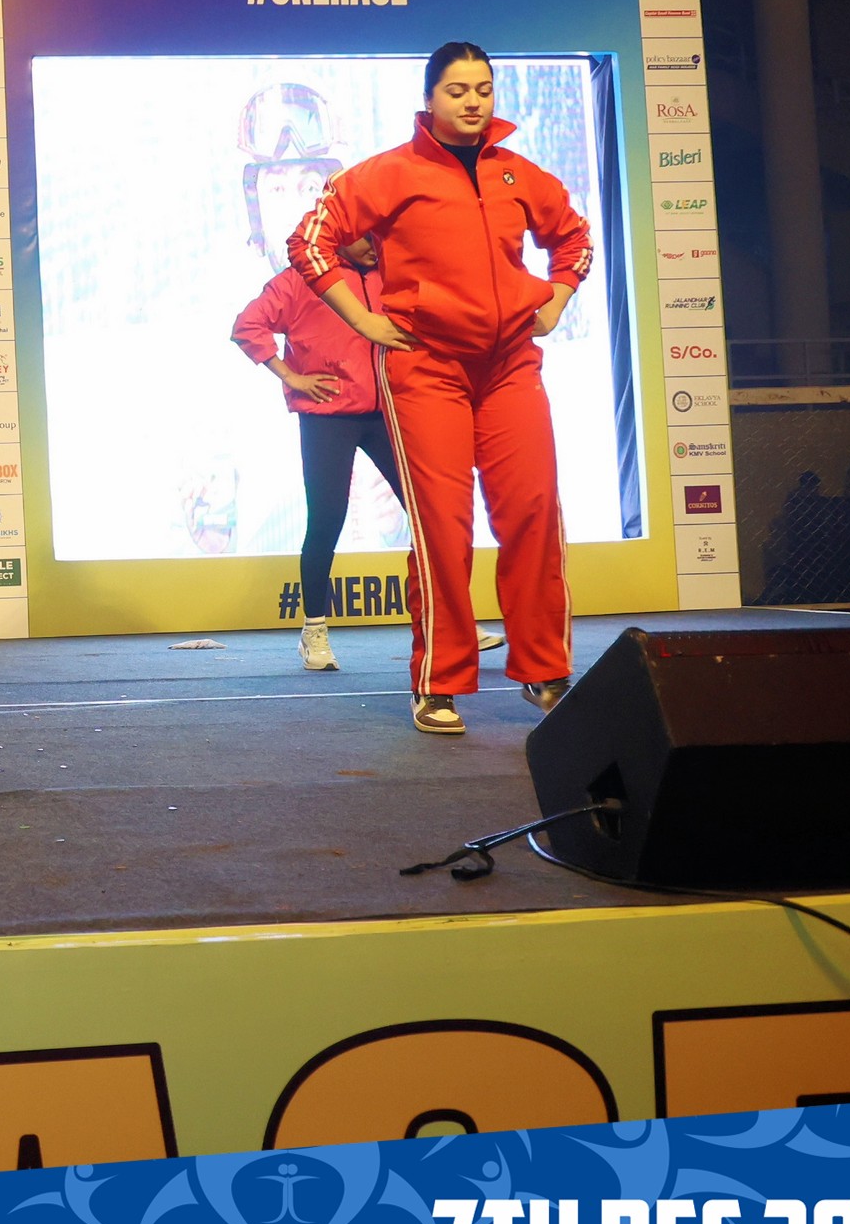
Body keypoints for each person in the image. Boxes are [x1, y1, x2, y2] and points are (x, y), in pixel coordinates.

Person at [288, 41, 591, 735]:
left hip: (510, 365)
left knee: (534, 510)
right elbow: (310, 241)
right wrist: (364, 318)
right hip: (427, 368)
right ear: (430, 99)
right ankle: (440, 682)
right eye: (458, 90)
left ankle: (545, 670)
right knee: (442, 527)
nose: (473, 101)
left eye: (483, 88)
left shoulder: (518, 174)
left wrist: (556, 298)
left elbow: (574, 239)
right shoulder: (389, 173)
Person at [231, 249, 402, 673]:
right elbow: (248, 325)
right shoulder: (303, 278)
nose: (373, 243)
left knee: (430, 517)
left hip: (386, 414)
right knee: (326, 522)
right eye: (364, 233)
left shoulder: (390, 272)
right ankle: (314, 629)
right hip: (327, 417)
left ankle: (451, 620)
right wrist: (291, 376)